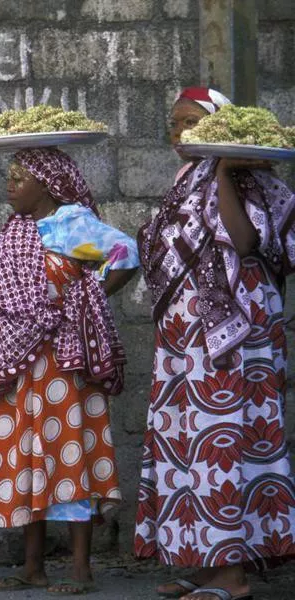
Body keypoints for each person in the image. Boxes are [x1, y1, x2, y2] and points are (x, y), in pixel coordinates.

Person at [135, 87, 295, 600]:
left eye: (191, 122)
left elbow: (245, 242)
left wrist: (226, 170)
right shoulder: (183, 181)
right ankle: (202, 562)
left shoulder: (251, 180)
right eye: (174, 123)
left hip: (232, 340)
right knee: (184, 442)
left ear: (219, 128)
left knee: (222, 441)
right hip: (185, 339)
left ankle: (232, 575)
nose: (179, 132)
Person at [0, 148, 138, 594]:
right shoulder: (16, 229)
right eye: (8, 177)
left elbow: (127, 252)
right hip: (17, 363)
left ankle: (81, 570)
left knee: (68, 453)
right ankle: (32, 568)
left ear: (46, 184)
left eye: (18, 178)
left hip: (63, 359)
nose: (9, 186)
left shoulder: (71, 223)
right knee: (27, 454)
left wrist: (88, 299)